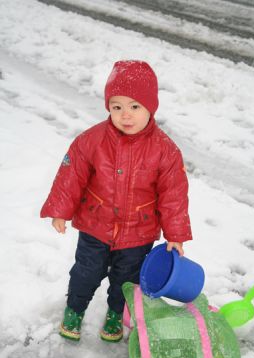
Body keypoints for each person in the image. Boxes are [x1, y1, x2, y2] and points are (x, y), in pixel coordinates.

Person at [40, 60, 192, 343]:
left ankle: (115, 313)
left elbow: (174, 195)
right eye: (117, 106)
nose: (125, 115)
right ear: (108, 107)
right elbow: (70, 175)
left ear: (151, 108)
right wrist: (60, 210)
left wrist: (176, 234)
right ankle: (75, 308)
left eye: (135, 106)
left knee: (127, 280)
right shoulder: (92, 140)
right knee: (85, 272)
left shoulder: (165, 151)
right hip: (95, 225)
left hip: (138, 232)